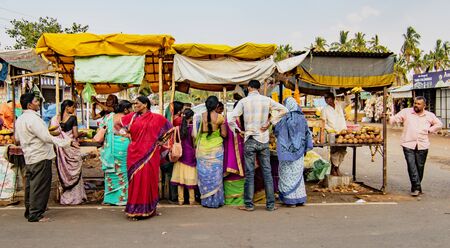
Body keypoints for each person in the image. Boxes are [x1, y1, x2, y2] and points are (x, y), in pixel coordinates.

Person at [15, 93, 76, 222]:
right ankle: (36, 214)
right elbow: (46, 138)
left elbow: (17, 138)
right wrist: (66, 142)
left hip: (30, 156)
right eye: (36, 101)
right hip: (40, 156)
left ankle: (30, 210)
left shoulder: (20, 119)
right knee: (40, 186)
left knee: (31, 186)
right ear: (29, 105)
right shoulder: (33, 119)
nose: (38, 103)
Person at [229, 80, 287, 211]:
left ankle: (249, 205)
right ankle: (270, 205)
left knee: (249, 173)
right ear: (259, 88)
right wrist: (270, 122)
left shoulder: (244, 102)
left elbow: (231, 119)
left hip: (249, 139)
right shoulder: (266, 100)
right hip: (263, 140)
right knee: (267, 173)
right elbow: (284, 109)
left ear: (249, 88)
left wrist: (239, 131)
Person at [122, 96, 172, 219]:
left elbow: (170, 129)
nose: (135, 106)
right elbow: (120, 128)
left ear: (145, 104)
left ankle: (149, 209)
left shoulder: (157, 118)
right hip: (134, 153)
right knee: (135, 181)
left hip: (150, 154)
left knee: (148, 180)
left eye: (137, 103)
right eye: (134, 104)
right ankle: (134, 209)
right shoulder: (131, 117)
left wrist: (161, 142)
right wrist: (127, 134)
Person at [390, 96, 442, 196]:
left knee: (420, 167)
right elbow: (396, 118)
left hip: (423, 145)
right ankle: (416, 188)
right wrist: (390, 118)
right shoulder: (406, 112)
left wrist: (430, 130)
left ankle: (416, 186)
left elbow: (439, 124)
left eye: (418, 104)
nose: (416, 105)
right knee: (411, 166)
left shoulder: (429, 115)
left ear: (424, 106)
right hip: (408, 143)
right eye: (415, 103)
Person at [274, 97, 313, 207]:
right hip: (299, 152)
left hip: (286, 153)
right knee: (297, 175)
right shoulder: (302, 118)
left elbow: (277, 131)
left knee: (287, 175)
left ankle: (290, 200)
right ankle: (299, 199)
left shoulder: (284, 119)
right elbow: (307, 134)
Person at [94, 100, 133, 206]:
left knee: (111, 172)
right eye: (130, 108)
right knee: (123, 171)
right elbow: (132, 131)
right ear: (125, 109)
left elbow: (102, 129)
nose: (132, 110)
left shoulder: (108, 117)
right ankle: (122, 198)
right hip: (123, 145)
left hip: (110, 147)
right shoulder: (127, 118)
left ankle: (110, 198)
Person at [50, 100, 87, 205]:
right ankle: (76, 197)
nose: (73, 109)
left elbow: (54, 133)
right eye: (73, 107)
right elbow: (75, 135)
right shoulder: (73, 118)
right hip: (71, 147)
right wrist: (82, 134)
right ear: (67, 107)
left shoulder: (56, 119)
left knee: (64, 172)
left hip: (61, 149)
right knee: (75, 173)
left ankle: (64, 196)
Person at [193, 96, 227, 208]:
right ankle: (216, 201)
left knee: (204, 174)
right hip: (216, 149)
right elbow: (224, 134)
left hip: (202, 148)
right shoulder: (220, 117)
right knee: (216, 175)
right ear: (217, 105)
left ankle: (206, 201)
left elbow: (194, 134)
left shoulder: (199, 117)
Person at [170, 109, 198, 205]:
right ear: (191, 117)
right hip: (190, 155)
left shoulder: (177, 128)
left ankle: (180, 200)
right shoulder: (192, 129)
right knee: (190, 179)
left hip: (180, 155)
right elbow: (194, 143)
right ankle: (191, 200)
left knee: (180, 179)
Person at [321, 92, 347, 176]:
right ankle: (334, 169)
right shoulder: (324, 109)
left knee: (342, 151)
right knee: (334, 151)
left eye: (327, 98)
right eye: (325, 99)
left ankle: (337, 167)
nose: (326, 100)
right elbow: (323, 123)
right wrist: (330, 130)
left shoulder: (339, 105)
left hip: (343, 133)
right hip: (333, 133)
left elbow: (348, 102)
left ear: (332, 98)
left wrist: (346, 93)